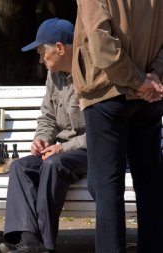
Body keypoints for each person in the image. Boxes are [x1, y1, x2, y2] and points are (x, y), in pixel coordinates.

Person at [72, 1, 163, 252]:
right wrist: (154, 76)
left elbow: (101, 46)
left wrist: (138, 81)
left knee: (108, 187)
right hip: (148, 95)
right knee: (150, 183)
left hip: (107, 93)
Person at [0, 18, 87, 253]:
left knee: (53, 165)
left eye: (42, 52)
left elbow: (102, 131)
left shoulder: (90, 75)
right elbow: (47, 117)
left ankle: (46, 246)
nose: (40, 59)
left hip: (90, 150)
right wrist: (43, 138)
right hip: (61, 151)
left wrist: (62, 148)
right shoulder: (53, 75)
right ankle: (29, 240)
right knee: (20, 167)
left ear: (59, 48)